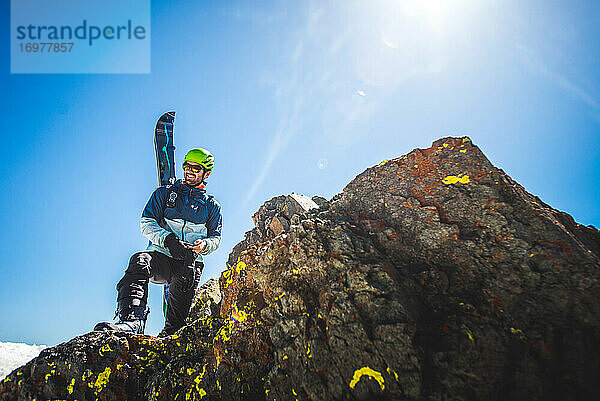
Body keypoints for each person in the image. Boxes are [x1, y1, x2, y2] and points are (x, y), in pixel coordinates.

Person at [94, 148, 222, 336]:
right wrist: (168, 240)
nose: (189, 171)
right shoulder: (164, 193)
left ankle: (170, 335)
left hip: (189, 265)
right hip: (162, 256)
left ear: (207, 173)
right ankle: (132, 320)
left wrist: (203, 246)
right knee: (139, 261)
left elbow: (215, 239)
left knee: (176, 327)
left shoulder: (212, 206)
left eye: (196, 168)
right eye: (186, 166)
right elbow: (146, 223)